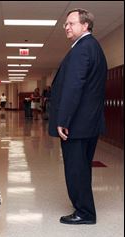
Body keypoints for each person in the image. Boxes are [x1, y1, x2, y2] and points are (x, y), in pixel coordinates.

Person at [48, 8, 107, 225]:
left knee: (76, 168)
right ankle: (84, 208)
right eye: (66, 24)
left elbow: (74, 87)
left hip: (77, 124)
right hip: (88, 123)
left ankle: (84, 213)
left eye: (71, 23)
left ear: (85, 26)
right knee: (82, 167)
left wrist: (63, 120)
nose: (66, 27)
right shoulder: (94, 47)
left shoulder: (82, 49)